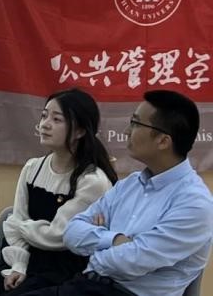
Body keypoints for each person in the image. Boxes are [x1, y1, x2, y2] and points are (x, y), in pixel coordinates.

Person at [48, 90, 213, 296]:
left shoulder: (195, 203)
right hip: (86, 285)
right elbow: (72, 232)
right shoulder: (130, 184)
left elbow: (132, 261)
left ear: (163, 141)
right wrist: (115, 240)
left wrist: (94, 250)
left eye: (135, 123)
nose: (127, 131)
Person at [0, 89, 117, 296]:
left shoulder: (92, 181)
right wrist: (18, 266)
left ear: (80, 131)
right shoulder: (33, 168)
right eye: (44, 116)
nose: (45, 124)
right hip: (23, 257)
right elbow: (16, 220)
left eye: (57, 119)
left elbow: (58, 236)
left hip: (63, 269)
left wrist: (22, 227)